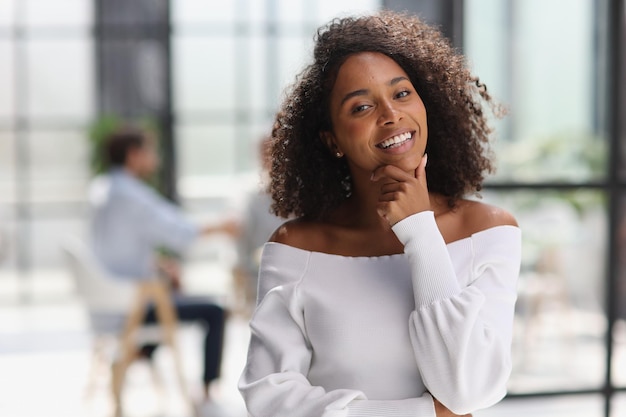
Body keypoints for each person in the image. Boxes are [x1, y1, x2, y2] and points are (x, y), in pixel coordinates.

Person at [238, 10, 521, 417]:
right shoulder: (297, 247)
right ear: (332, 139)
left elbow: (467, 391)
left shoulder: (489, 231)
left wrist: (420, 230)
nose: (391, 115)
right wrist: (425, 414)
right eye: (360, 108)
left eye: (402, 93)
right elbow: (269, 400)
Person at [88, 126, 238, 403]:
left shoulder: (103, 187)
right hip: (129, 305)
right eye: (150, 151)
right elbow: (180, 230)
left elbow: (115, 246)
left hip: (109, 297)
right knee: (215, 311)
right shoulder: (130, 195)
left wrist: (157, 262)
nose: (155, 157)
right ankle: (206, 391)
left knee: (170, 292)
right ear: (134, 155)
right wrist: (223, 227)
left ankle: (136, 355)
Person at [231, 136, 286, 315]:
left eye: (273, 152)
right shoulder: (250, 197)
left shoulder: (303, 193)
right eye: (264, 154)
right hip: (260, 276)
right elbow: (239, 243)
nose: (269, 158)